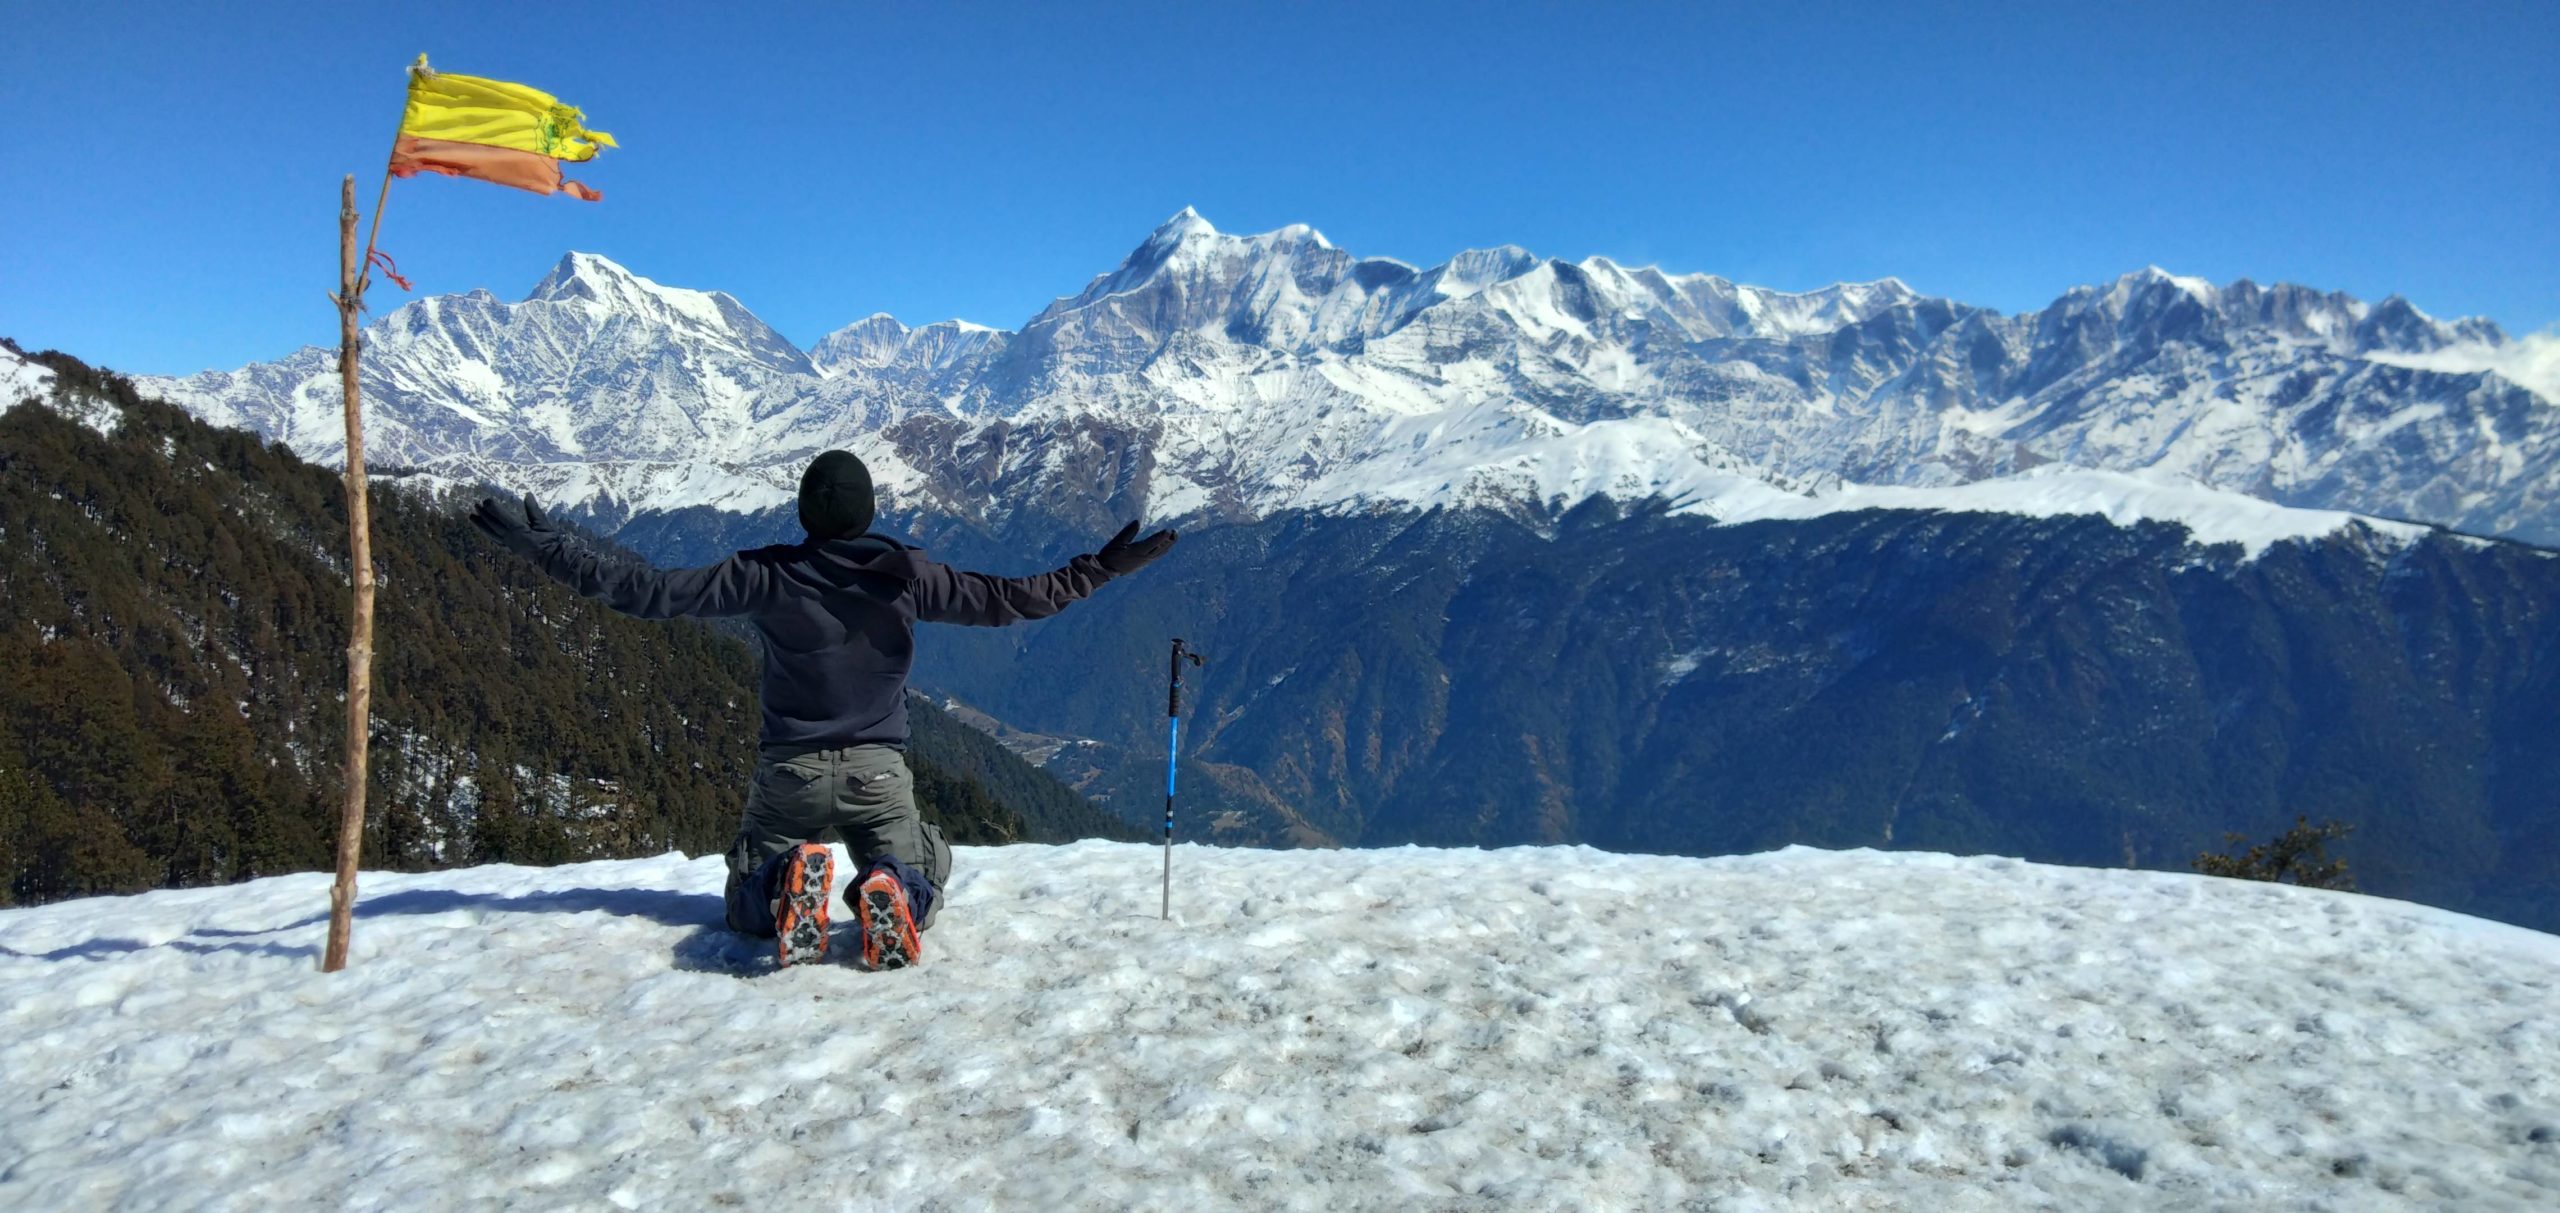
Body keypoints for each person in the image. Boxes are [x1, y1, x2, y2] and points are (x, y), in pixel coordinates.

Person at [469, 450, 1176, 969]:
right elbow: (1016, 598)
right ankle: (889, 882)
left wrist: (554, 549)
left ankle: (783, 881)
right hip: (879, 772)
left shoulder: (764, 574)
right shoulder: (907, 577)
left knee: (745, 893)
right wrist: (1102, 568)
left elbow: (648, 591)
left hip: (790, 775)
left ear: (805, 513)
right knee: (928, 863)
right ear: (869, 511)